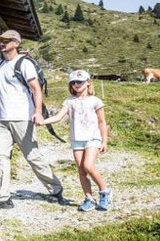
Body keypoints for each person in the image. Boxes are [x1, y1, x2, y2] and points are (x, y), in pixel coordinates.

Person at [0, 29, 64, 210]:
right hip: (3, 119)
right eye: (1, 41)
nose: (2, 44)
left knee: (32, 156)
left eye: (6, 41)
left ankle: (56, 189)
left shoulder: (24, 63)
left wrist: (37, 112)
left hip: (22, 118)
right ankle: (3, 197)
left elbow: (36, 89)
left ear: (16, 43)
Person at [41, 70, 112, 211]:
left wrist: (104, 141)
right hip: (77, 139)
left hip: (93, 138)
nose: (76, 84)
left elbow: (102, 122)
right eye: (73, 82)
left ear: (88, 82)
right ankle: (89, 198)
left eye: (79, 82)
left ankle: (105, 192)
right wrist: (42, 121)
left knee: (88, 166)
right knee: (81, 170)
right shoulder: (69, 101)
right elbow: (58, 117)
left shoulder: (96, 101)